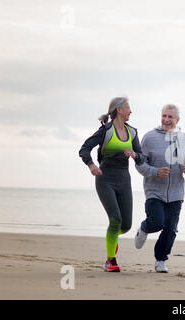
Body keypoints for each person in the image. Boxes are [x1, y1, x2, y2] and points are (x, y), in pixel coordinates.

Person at [79, 97, 144, 272]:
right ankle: (110, 260)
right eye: (128, 107)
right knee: (115, 219)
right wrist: (91, 165)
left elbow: (142, 156)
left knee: (126, 225)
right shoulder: (105, 130)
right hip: (105, 177)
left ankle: (112, 237)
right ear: (119, 110)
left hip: (124, 179)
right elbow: (84, 148)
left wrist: (135, 155)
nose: (131, 111)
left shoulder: (133, 132)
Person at [134, 104, 185, 273]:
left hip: (176, 192)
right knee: (157, 222)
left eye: (170, 117)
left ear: (177, 120)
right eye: (164, 116)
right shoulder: (149, 138)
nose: (166, 120)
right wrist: (155, 172)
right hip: (154, 191)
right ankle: (144, 229)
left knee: (170, 229)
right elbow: (139, 164)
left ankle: (160, 260)